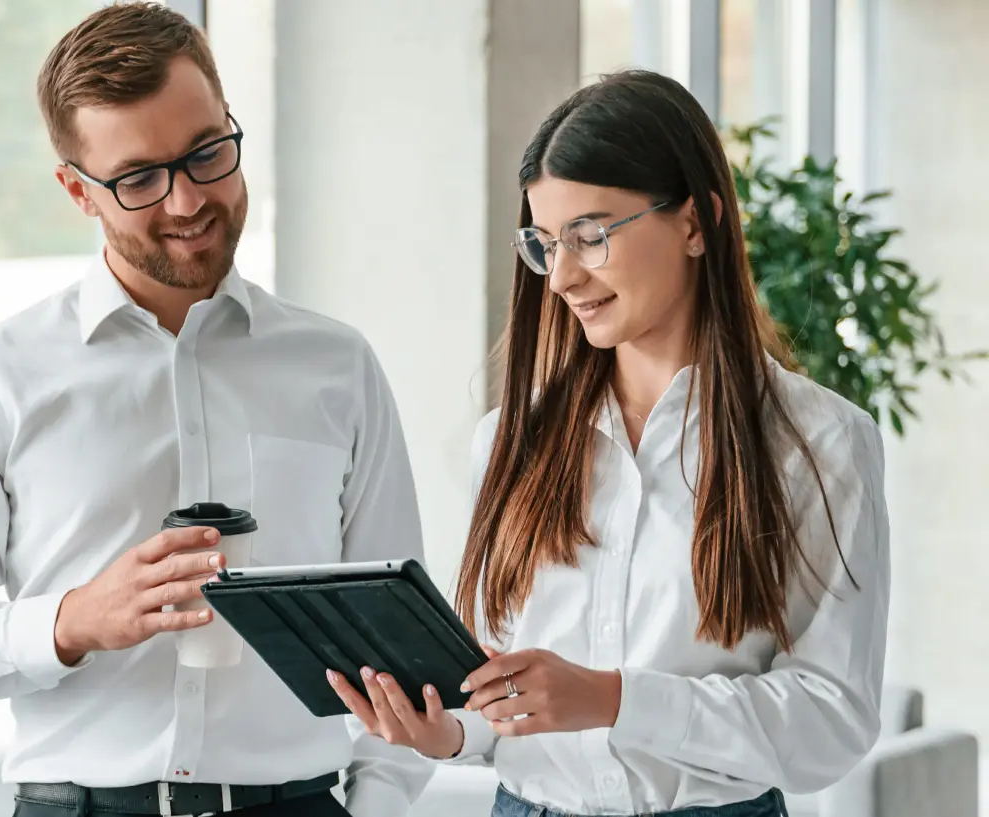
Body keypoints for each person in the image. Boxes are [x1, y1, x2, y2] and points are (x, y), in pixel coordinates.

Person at [0, 4, 432, 816]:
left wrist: (376, 807)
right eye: (139, 178)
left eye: (207, 153)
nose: (186, 202)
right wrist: (72, 622)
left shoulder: (338, 366)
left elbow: (401, 644)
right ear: (78, 191)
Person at [325, 69, 889, 817]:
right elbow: (499, 702)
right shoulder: (509, 441)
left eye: (590, 236)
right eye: (544, 243)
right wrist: (447, 732)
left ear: (696, 222)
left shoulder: (819, 444)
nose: (560, 276)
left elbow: (831, 721)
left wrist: (616, 699)